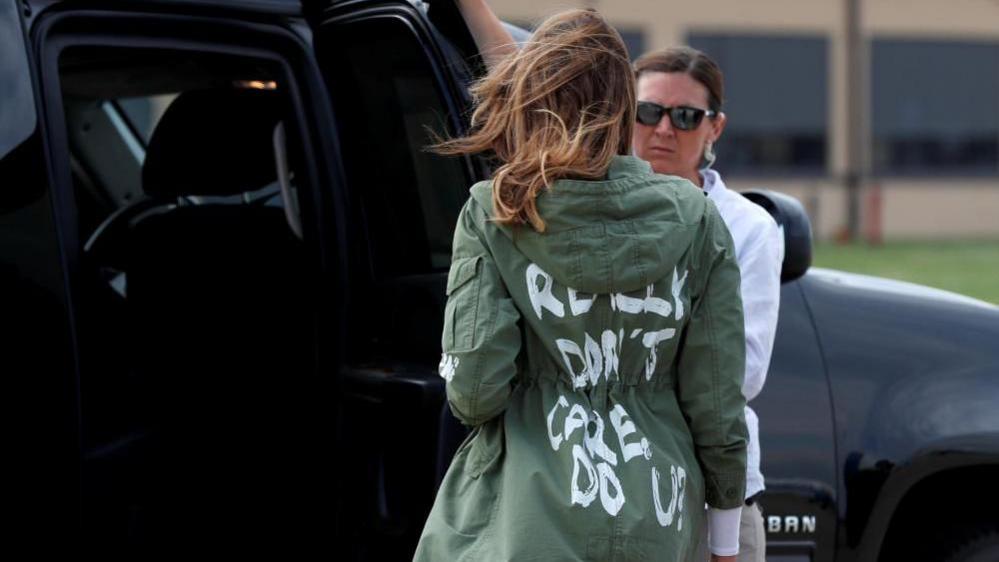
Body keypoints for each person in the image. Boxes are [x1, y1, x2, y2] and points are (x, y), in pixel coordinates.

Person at [416, 7, 748, 562]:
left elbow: (474, 392)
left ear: (532, 98)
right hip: (659, 514)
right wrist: (725, 542)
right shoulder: (697, 218)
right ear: (623, 105)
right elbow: (716, 401)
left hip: (525, 519)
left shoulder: (495, 212)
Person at [631, 47, 783, 562]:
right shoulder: (591, 211)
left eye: (686, 116)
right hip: (614, 478)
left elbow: (742, 370)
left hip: (711, 489)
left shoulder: (749, 227)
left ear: (714, 127)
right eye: (648, 111)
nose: (664, 129)